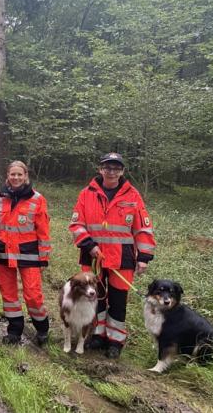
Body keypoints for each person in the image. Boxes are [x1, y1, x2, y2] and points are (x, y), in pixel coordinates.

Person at [69, 152, 155, 359]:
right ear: (100, 169)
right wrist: (89, 245)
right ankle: (97, 335)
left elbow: (143, 228)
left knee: (118, 301)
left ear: (122, 171)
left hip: (122, 258)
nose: (111, 171)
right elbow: (76, 224)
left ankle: (115, 340)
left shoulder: (133, 195)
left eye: (116, 168)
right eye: (107, 167)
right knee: (94, 298)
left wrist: (143, 256)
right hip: (92, 256)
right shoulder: (86, 193)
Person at [0, 161, 51, 346]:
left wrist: (44, 256)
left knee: (33, 294)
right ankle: (14, 330)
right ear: (8, 176)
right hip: (3, 254)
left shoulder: (37, 199)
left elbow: (43, 231)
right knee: (8, 294)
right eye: (12, 174)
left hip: (29, 255)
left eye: (19, 175)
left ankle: (42, 329)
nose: (15, 178)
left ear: (26, 176)